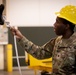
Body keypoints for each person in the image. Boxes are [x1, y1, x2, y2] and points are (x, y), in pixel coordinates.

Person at [10, 5, 76, 75]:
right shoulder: (57, 41)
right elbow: (39, 53)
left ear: (67, 26)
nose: (54, 24)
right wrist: (21, 38)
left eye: (57, 22)